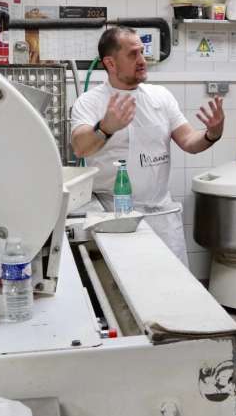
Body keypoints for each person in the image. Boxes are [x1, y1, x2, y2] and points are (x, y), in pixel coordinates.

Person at [70, 27, 225, 264]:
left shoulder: (160, 97)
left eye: (142, 52)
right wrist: (105, 128)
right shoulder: (90, 102)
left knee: (173, 290)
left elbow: (189, 142)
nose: (142, 60)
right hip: (114, 216)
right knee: (124, 290)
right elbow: (80, 147)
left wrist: (212, 134)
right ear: (110, 63)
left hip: (161, 216)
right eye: (133, 54)